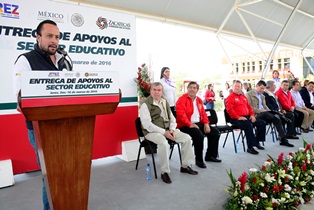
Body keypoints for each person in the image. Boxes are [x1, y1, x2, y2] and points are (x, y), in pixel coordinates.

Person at [13, 20, 72, 210]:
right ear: (38, 37)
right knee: (52, 175)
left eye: (57, 37)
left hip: (66, 126)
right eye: (49, 36)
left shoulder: (65, 60)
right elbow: (21, 101)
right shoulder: (25, 60)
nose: (54, 41)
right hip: (41, 130)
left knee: (65, 172)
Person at [139, 82, 198, 184]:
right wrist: (164, 132)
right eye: (154, 90)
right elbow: (147, 125)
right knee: (163, 143)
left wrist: (171, 129)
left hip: (167, 129)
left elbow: (172, 119)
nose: (157, 92)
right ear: (151, 90)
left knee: (187, 138)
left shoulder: (164, 102)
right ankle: (164, 172)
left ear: (162, 92)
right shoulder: (145, 105)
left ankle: (185, 166)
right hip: (151, 132)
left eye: (159, 90)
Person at [176, 81, 221, 169]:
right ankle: (199, 160)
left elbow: (203, 114)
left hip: (198, 123)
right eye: (190, 87)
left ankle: (210, 156)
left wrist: (206, 124)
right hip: (185, 125)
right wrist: (190, 124)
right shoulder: (181, 99)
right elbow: (181, 115)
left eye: (194, 88)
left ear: (197, 90)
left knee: (215, 132)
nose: (192, 89)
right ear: (187, 89)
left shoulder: (199, 100)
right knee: (199, 135)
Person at [246, 80, 294, 147]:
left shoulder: (262, 96)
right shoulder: (249, 94)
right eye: (261, 88)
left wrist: (270, 112)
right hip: (255, 114)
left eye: (263, 89)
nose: (262, 90)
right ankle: (283, 118)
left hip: (265, 114)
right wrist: (261, 111)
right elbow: (249, 107)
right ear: (256, 86)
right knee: (272, 115)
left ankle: (283, 139)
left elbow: (265, 106)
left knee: (276, 118)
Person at [225, 80, 266, 155]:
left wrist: (252, 115)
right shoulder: (230, 98)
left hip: (247, 117)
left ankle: (256, 142)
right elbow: (229, 110)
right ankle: (250, 147)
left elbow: (249, 107)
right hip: (236, 119)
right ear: (233, 87)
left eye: (239, 86)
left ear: (241, 88)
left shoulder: (243, 97)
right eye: (235, 86)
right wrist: (238, 117)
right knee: (248, 125)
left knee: (262, 123)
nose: (237, 88)